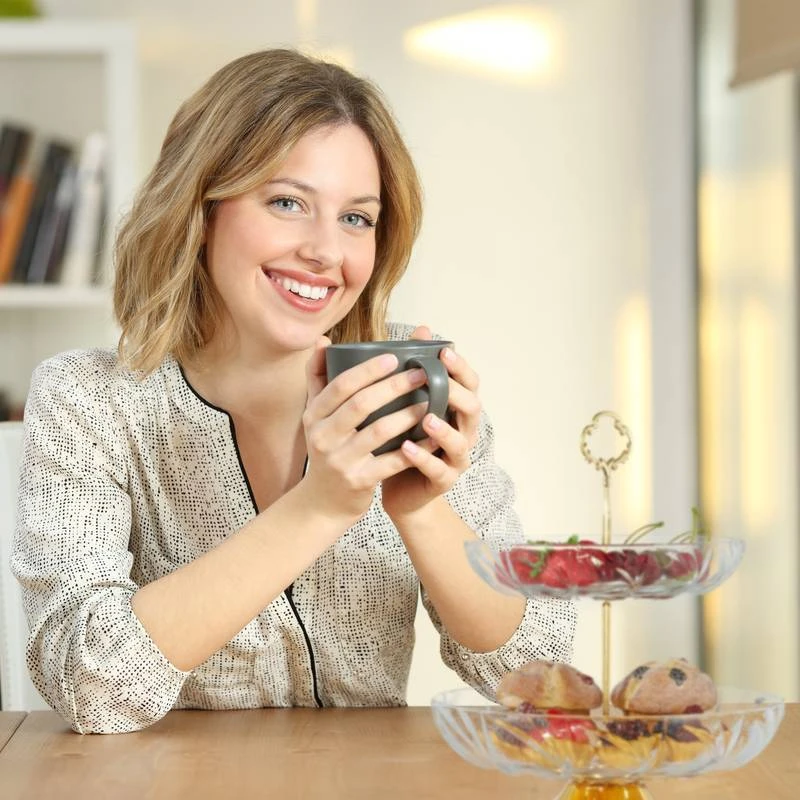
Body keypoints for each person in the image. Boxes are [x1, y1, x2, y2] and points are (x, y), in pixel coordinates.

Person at [11, 48, 576, 734]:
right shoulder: (90, 399)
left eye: (356, 218)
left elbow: (537, 677)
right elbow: (87, 685)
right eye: (287, 202)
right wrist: (316, 509)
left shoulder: (406, 384)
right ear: (201, 206)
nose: (325, 251)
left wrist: (424, 510)